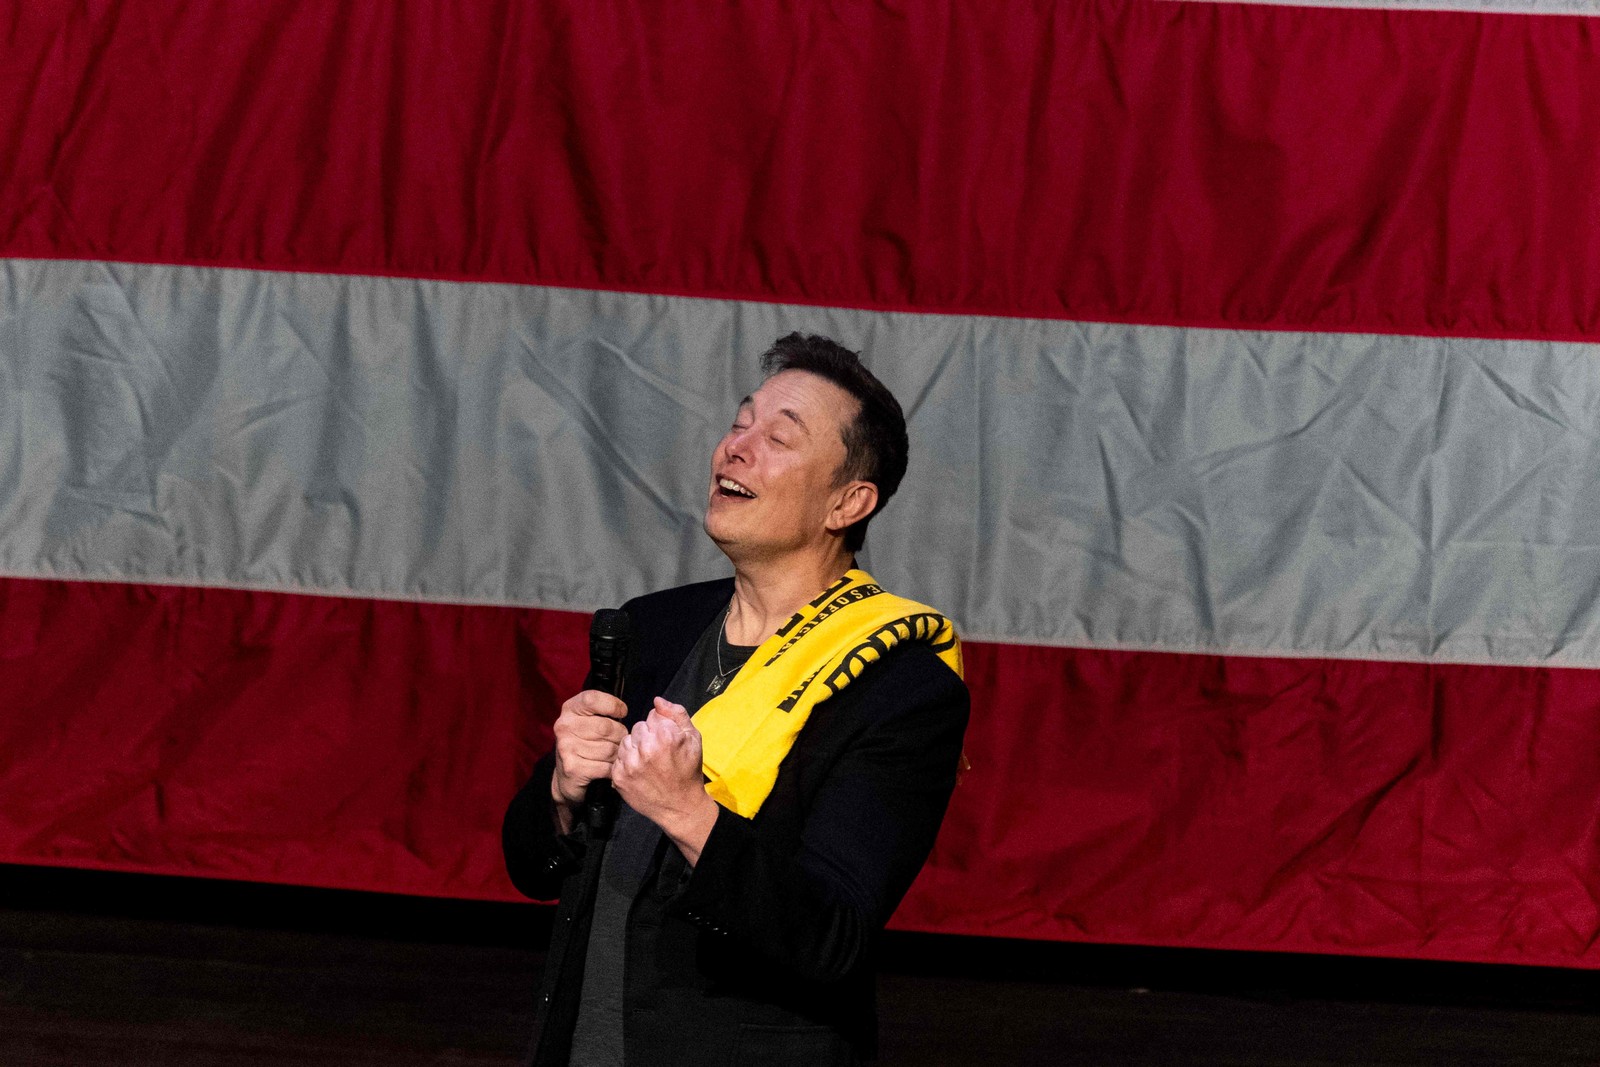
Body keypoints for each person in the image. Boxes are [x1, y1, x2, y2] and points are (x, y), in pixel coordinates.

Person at [502, 332, 970, 1066]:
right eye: (740, 422)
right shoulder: (656, 626)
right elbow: (532, 867)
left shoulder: (902, 688)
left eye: (778, 438)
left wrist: (687, 811)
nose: (736, 448)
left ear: (847, 502)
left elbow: (830, 936)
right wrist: (561, 792)